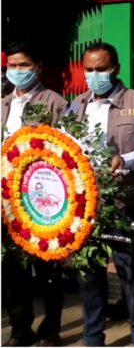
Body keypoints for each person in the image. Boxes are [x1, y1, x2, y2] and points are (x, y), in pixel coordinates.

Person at [65, 42, 134, 346]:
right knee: (89, 276)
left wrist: (126, 160)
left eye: (101, 69)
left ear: (115, 68)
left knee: (131, 275)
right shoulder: (77, 105)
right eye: (89, 70)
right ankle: (93, 338)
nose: (94, 76)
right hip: (84, 205)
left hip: (122, 202)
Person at [0, 42, 67, 347]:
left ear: (37, 67)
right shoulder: (3, 103)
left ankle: (51, 329)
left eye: (23, 65)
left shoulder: (54, 103)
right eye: (12, 66)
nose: (17, 71)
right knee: (12, 268)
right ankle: (19, 327)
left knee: (46, 266)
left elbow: (65, 149)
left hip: (41, 199)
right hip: (7, 199)